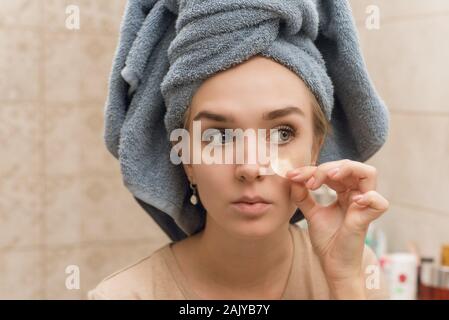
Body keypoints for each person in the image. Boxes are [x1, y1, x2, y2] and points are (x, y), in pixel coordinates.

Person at [88, 55, 390, 300]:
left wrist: (343, 280)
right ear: (187, 161)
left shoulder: (357, 272)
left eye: (282, 133)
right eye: (219, 136)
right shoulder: (123, 296)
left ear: (315, 151)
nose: (249, 167)